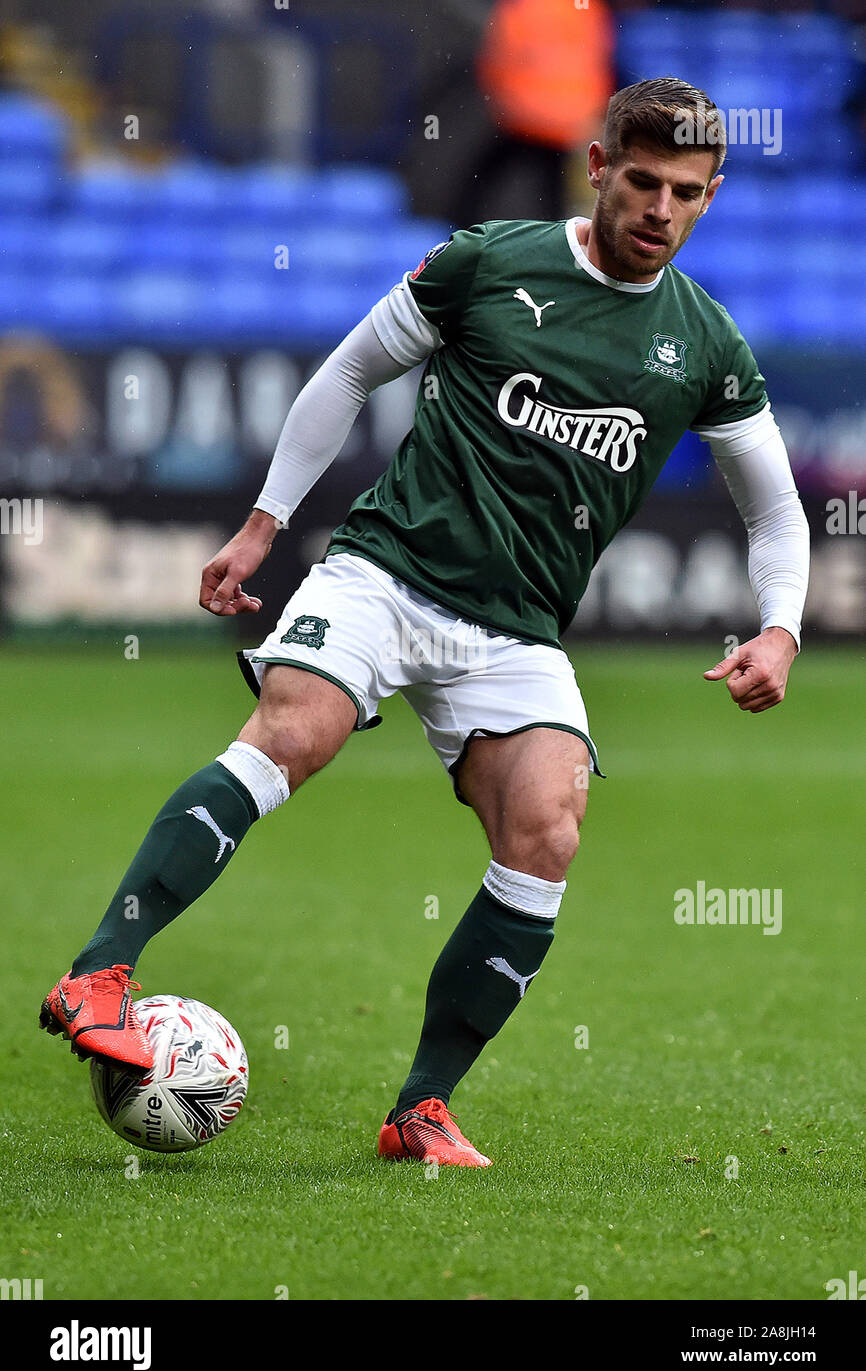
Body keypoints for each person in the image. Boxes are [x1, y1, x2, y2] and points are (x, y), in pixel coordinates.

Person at [40, 78, 810, 1169]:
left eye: (685, 193)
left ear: (710, 196)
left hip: (518, 627)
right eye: (640, 182)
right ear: (597, 168)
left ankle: (419, 1109)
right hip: (387, 571)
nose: (658, 209)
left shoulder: (705, 345)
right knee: (293, 728)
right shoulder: (487, 261)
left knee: (546, 829)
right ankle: (99, 973)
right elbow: (352, 369)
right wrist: (264, 525)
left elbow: (772, 507)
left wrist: (778, 625)